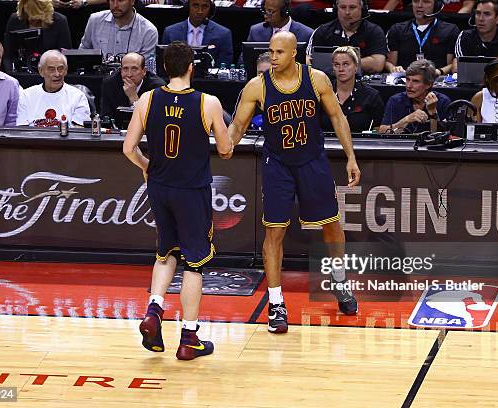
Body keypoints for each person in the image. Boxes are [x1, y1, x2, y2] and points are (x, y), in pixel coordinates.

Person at [229, 32, 361, 334]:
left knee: (332, 226)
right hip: (278, 165)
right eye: (270, 51)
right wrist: (227, 143)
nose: (272, 57)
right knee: (274, 232)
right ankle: (276, 303)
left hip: (312, 162)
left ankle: (340, 282)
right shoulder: (257, 86)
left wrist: (351, 157)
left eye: (279, 52)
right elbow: (238, 124)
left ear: (293, 54)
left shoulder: (316, 80)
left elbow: (338, 118)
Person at [123, 41, 232, 360]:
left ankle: (154, 311)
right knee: (195, 262)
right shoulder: (207, 102)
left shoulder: (147, 99)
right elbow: (225, 150)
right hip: (192, 189)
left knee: (165, 252)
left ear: (163, 69)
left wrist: (147, 167)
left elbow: (129, 148)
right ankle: (189, 338)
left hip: (159, 186)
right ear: (190, 68)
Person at [307, 0, 387, 74]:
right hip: (328, 82)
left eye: (352, 7)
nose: (347, 12)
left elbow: (378, 64)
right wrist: (356, 63)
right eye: (343, 7)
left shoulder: (374, 31)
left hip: (364, 85)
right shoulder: (323, 31)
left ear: (362, 9)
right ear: (336, 9)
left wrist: (339, 63)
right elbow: (310, 62)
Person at [79, 0, 158, 72]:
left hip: (131, 82)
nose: (115, 5)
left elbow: (148, 71)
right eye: (112, 0)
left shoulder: (148, 31)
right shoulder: (95, 20)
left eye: (120, 0)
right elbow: (82, 53)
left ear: (132, 1)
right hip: (96, 80)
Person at [385, 0, 459, 77]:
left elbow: (452, 64)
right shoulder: (397, 29)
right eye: (416, 1)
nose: (419, 5)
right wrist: (393, 68)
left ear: (436, 6)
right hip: (405, 78)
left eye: (426, 2)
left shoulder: (450, 30)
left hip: (437, 79)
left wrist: (439, 71)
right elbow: (389, 62)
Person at [17, 49, 91, 127]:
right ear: (41, 71)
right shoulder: (26, 96)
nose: (57, 74)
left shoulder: (78, 96)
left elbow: (79, 132)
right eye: (51, 69)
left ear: (66, 70)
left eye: (60, 69)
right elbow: (22, 131)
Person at [322, 46, 384, 132]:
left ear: (356, 67)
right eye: (337, 65)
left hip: (361, 144)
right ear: (333, 68)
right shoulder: (323, 93)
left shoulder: (371, 96)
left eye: (346, 64)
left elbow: (378, 128)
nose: (341, 69)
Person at [379, 59, 450, 134]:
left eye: (415, 81)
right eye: (407, 79)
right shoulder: (396, 100)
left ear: (428, 84)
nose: (409, 86)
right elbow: (382, 131)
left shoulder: (442, 101)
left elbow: (441, 138)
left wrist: (433, 114)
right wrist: (406, 120)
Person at [3, 0, 72, 72]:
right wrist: (10, 75)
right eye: (29, 14)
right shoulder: (15, 20)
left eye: (36, 17)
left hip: (51, 72)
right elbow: (8, 55)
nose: (31, 19)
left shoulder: (60, 21)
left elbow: (65, 54)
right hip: (22, 73)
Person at [100, 52, 165, 127]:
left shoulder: (157, 87)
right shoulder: (110, 84)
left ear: (144, 71)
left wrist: (133, 97)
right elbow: (105, 117)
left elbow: (154, 121)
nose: (129, 74)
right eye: (125, 69)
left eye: (134, 69)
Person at [453, 0, 498, 72]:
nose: (481, 19)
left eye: (487, 14)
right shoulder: (465, 36)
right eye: (478, 13)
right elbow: (457, 68)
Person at [162, 0, 233, 66]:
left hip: (210, 79)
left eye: (205, 6)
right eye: (195, 6)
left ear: (211, 10)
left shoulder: (223, 34)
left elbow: (224, 67)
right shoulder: (170, 32)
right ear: (188, 7)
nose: (200, 11)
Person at [246, 0, 314, 43]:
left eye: (270, 11)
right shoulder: (255, 31)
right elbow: (243, 62)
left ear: (285, 12)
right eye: (264, 11)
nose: (265, 16)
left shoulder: (306, 34)